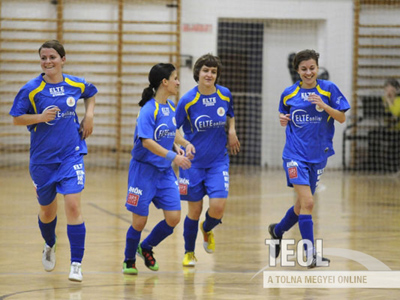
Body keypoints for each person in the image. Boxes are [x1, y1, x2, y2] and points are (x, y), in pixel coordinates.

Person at [9, 40, 97, 281]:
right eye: (43, 58)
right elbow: (16, 118)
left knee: (73, 206)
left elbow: (91, 93)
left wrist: (89, 116)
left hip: (71, 155)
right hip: (42, 160)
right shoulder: (32, 89)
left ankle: (76, 264)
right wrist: (40, 117)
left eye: (52, 57)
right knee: (47, 213)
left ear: (63, 59)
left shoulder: (74, 83)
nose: (47, 61)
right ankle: (50, 243)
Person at [268, 49, 350, 268]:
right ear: (297, 71)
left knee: (300, 206)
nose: (308, 72)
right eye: (303, 69)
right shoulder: (288, 93)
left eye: (312, 68)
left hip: (318, 155)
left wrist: (324, 106)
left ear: (317, 68)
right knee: (309, 202)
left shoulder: (329, 89)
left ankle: (277, 231)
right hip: (294, 155)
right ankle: (310, 254)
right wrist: (283, 118)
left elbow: (341, 118)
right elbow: (283, 113)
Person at [122, 63, 193, 275]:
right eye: (175, 78)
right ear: (165, 82)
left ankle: (146, 247)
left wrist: (184, 144)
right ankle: (128, 260)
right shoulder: (147, 110)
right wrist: (174, 156)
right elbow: (147, 142)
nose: (178, 82)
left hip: (164, 172)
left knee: (173, 218)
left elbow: (172, 134)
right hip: (143, 172)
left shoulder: (171, 107)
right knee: (139, 221)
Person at [175, 53, 240, 267]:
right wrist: (181, 148)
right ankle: (189, 252)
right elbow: (172, 130)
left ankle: (208, 228)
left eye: (213, 71)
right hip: (192, 164)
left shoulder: (225, 94)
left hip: (217, 161)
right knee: (193, 211)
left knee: (218, 207)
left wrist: (231, 131)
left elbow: (230, 114)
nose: (209, 74)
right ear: (198, 73)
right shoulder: (187, 100)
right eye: (205, 70)